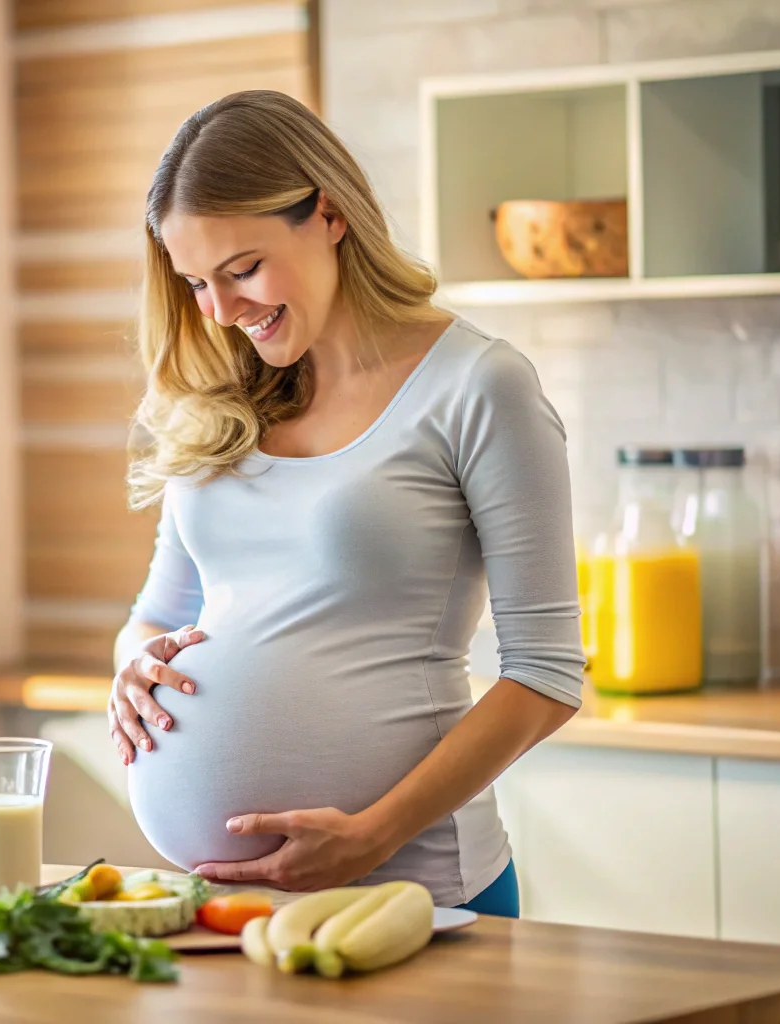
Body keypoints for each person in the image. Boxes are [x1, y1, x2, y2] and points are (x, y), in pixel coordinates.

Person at [108, 91, 585, 916]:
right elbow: (158, 613)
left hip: (415, 894)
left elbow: (546, 675)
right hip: (216, 910)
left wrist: (374, 832)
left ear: (327, 214)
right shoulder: (220, 399)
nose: (222, 312)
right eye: (196, 283)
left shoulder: (479, 387)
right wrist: (133, 667)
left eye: (243, 268)